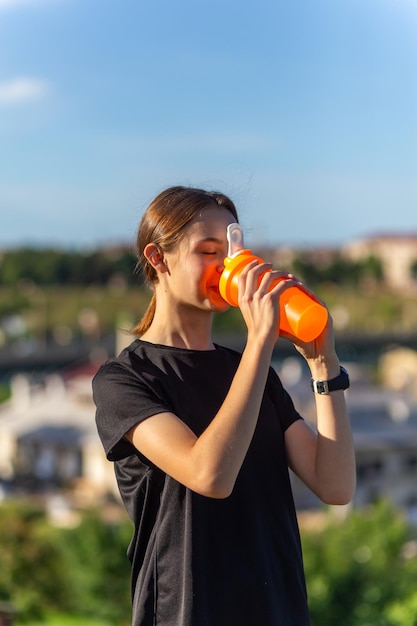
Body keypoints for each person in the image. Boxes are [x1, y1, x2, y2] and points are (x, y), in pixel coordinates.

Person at [92, 185, 356, 626]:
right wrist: (259, 341)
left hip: (279, 612)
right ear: (158, 258)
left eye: (231, 253)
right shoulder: (125, 381)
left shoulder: (254, 373)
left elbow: (336, 486)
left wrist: (323, 363)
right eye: (209, 251)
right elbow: (209, 474)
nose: (225, 267)